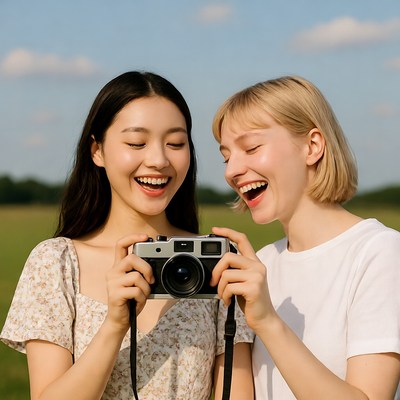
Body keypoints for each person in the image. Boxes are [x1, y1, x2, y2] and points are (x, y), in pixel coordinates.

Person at [0, 71, 254, 400]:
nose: (159, 160)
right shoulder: (57, 262)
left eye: (176, 143)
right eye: (136, 143)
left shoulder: (216, 261)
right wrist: (114, 325)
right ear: (97, 151)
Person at [210, 75, 400, 399]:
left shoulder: (379, 252)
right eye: (227, 156)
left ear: (312, 146)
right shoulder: (262, 263)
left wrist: (268, 322)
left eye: (251, 148)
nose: (231, 171)